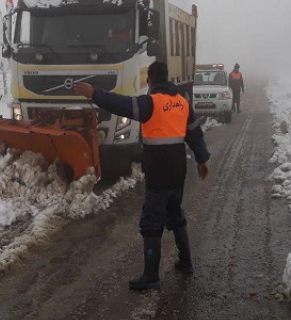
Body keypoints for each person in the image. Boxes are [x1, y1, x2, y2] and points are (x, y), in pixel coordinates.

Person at [74, 62, 210, 291]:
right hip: (178, 169)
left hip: (159, 170)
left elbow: (122, 104)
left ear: (151, 82)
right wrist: (202, 159)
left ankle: (151, 275)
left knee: (151, 221)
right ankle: (186, 262)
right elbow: (195, 133)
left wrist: (94, 93)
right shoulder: (182, 102)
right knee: (175, 212)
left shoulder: (150, 103)